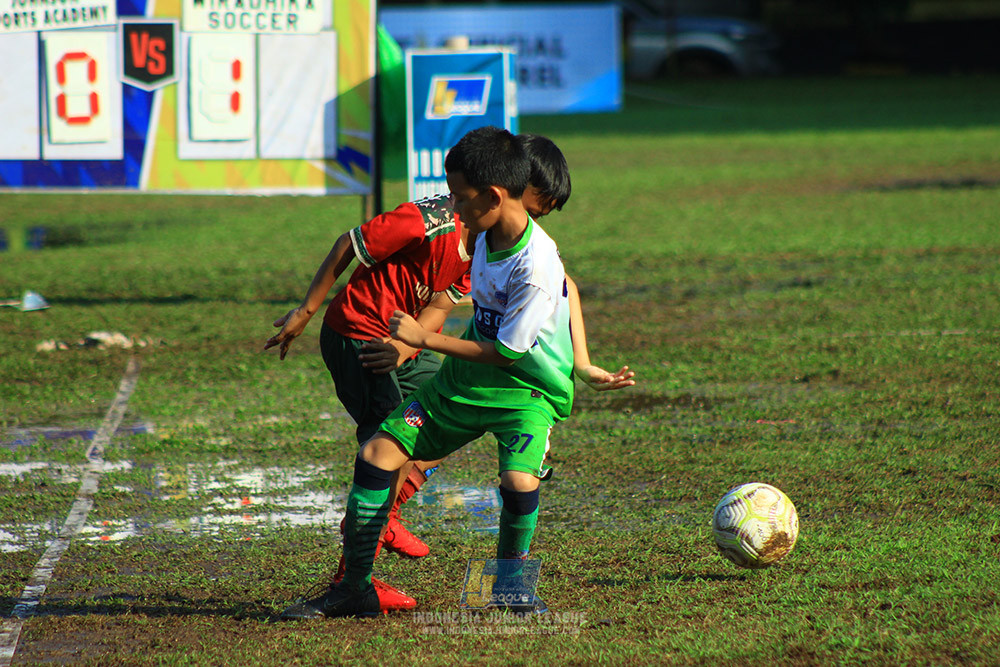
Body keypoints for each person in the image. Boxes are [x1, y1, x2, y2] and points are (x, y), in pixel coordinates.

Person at [279, 126, 632, 620]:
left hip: (526, 392)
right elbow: (561, 285)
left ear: (494, 196)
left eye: (461, 198)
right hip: (462, 379)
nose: (453, 208)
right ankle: (353, 588)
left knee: (519, 480)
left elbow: (507, 352)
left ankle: (510, 589)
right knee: (378, 452)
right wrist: (585, 360)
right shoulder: (484, 229)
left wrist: (420, 340)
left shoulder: (535, 264)